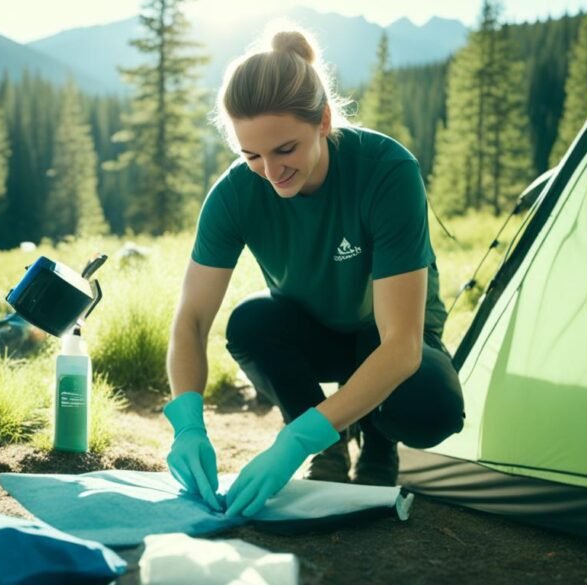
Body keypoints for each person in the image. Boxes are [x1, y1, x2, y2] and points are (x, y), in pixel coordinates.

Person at [163, 28, 465, 519]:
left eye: (285, 149)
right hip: (315, 330)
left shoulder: (387, 171)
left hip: (388, 337)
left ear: (323, 120)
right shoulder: (235, 194)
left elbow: (401, 346)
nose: (270, 170)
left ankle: (378, 440)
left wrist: (292, 441)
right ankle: (330, 445)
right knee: (250, 324)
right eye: (251, 155)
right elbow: (191, 320)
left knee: (432, 407)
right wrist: (188, 425)